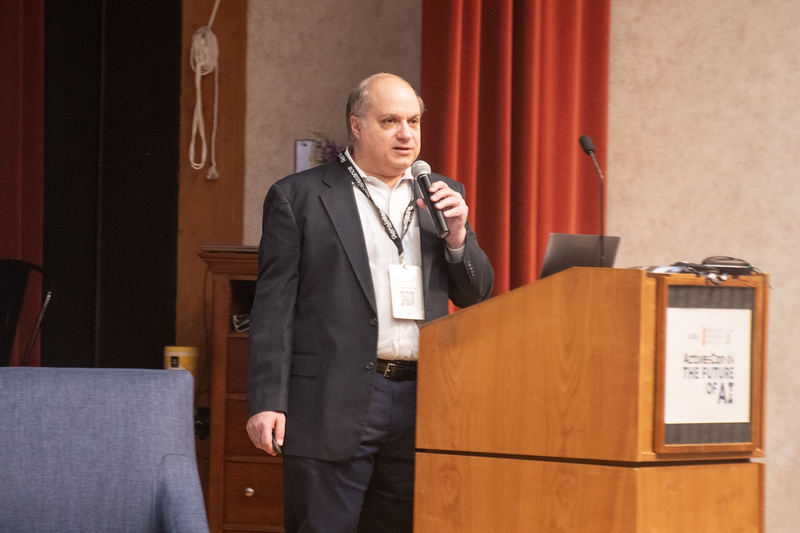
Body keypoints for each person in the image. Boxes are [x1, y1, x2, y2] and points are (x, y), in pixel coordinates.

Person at [246, 72, 494, 533]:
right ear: (356, 126)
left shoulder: (440, 195)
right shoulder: (298, 197)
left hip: (421, 400)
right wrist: (266, 401)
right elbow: (273, 308)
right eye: (390, 121)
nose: (406, 133)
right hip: (330, 400)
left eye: (414, 121)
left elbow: (475, 292)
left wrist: (458, 235)